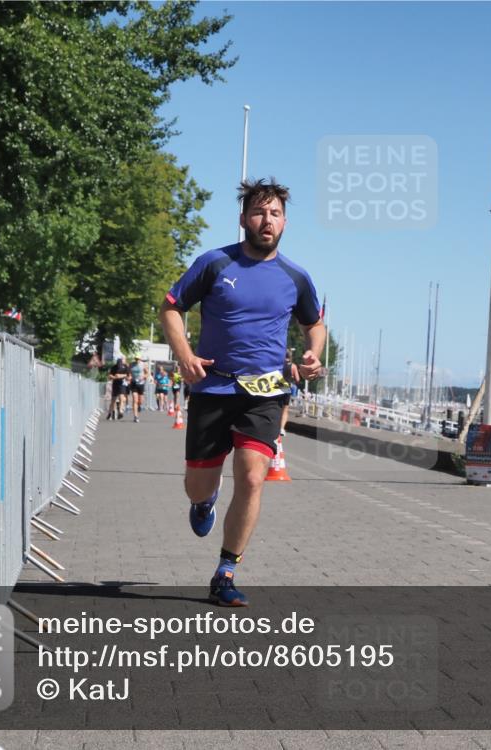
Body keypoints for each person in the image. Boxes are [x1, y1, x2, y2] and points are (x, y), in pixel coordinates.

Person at [159, 178, 325, 607]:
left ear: (284, 222)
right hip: (213, 387)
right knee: (197, 486)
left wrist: (312, 353)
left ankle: (225, 571)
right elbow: (171, 307)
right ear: (243, 219)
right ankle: (205, 501)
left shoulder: (296, 277)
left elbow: (315, 325)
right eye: (258, 212)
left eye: (274, 214)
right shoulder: (214, 264)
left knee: (252, 476)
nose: (266, 220)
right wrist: (184, 354)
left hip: (265, 392)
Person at [107, 356, 130, 420]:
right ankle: (109, 413)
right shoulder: (114, 367)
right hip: (115, 384)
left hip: (122, 384)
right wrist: (114, 377)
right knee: (113, 399)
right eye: (118, 364)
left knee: (121, 398)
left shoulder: (125, 367)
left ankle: (120, 411)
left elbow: (128, 376)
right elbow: (110, 375)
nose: (119, 366)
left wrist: (121, 376)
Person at [130, 356, 147, 422]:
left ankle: (139, 406)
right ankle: (135, 416)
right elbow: (129, 373)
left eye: (138, 359)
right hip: (134, 383)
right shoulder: (131, 364)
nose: (137, 360)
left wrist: (143, 377)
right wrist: (129, 377)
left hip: (141, 384)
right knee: (135, 400)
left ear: (140, 359)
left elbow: (147, 373)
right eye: (136, 359)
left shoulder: (143, 364)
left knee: (140, 401)